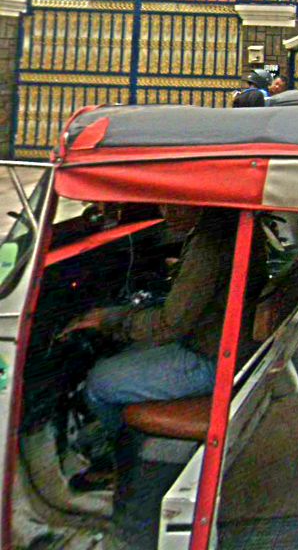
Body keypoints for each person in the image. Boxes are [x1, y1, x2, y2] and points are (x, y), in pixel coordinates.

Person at [62, 206, 267, 483]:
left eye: (172, 203)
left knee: (99, 383)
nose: (166, 212)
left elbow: (170, 324)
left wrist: (109, 320)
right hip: (229, 346)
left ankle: (120, 464)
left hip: (210, 359)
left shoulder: (209, 241)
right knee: (128, 355)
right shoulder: (228, 222)